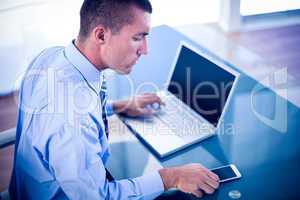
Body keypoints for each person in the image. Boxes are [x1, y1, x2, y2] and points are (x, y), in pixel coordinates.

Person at [9, 0, 220, 199]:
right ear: (101, 35)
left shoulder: (52, 56)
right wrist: (171, 177)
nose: (145, 50)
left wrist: (118, 106)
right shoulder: (72, 119)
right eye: (138, 37)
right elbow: (100, 197)